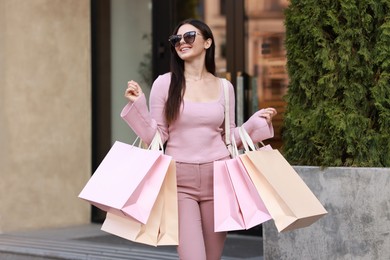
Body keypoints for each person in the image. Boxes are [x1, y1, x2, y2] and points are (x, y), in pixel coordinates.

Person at [121, 18, 277, 260]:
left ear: (207, 42)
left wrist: (256, 122)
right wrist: (138, 105)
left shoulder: (225, 87)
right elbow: (157, 136)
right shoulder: (165, 84)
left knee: (212, 257)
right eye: (176, 40)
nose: (181, 42)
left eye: (189, 37)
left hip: (219, 179)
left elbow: (229, 135)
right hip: (180, 182)